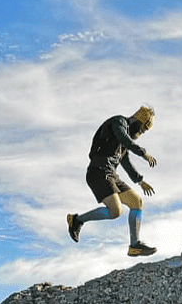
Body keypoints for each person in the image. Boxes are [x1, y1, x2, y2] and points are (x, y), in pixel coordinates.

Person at [67, 106, 159, 257]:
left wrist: (141, 182)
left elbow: (126, 162)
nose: (142, 132)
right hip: (98, 172)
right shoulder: (118, 122)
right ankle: (76, 220)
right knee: (115, 211)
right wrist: (144, 154)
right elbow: (125, 139)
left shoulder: (124, 143)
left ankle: (134, 246)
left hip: (111, 174)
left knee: (137, 203)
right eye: (143, 128)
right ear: (138, 120)